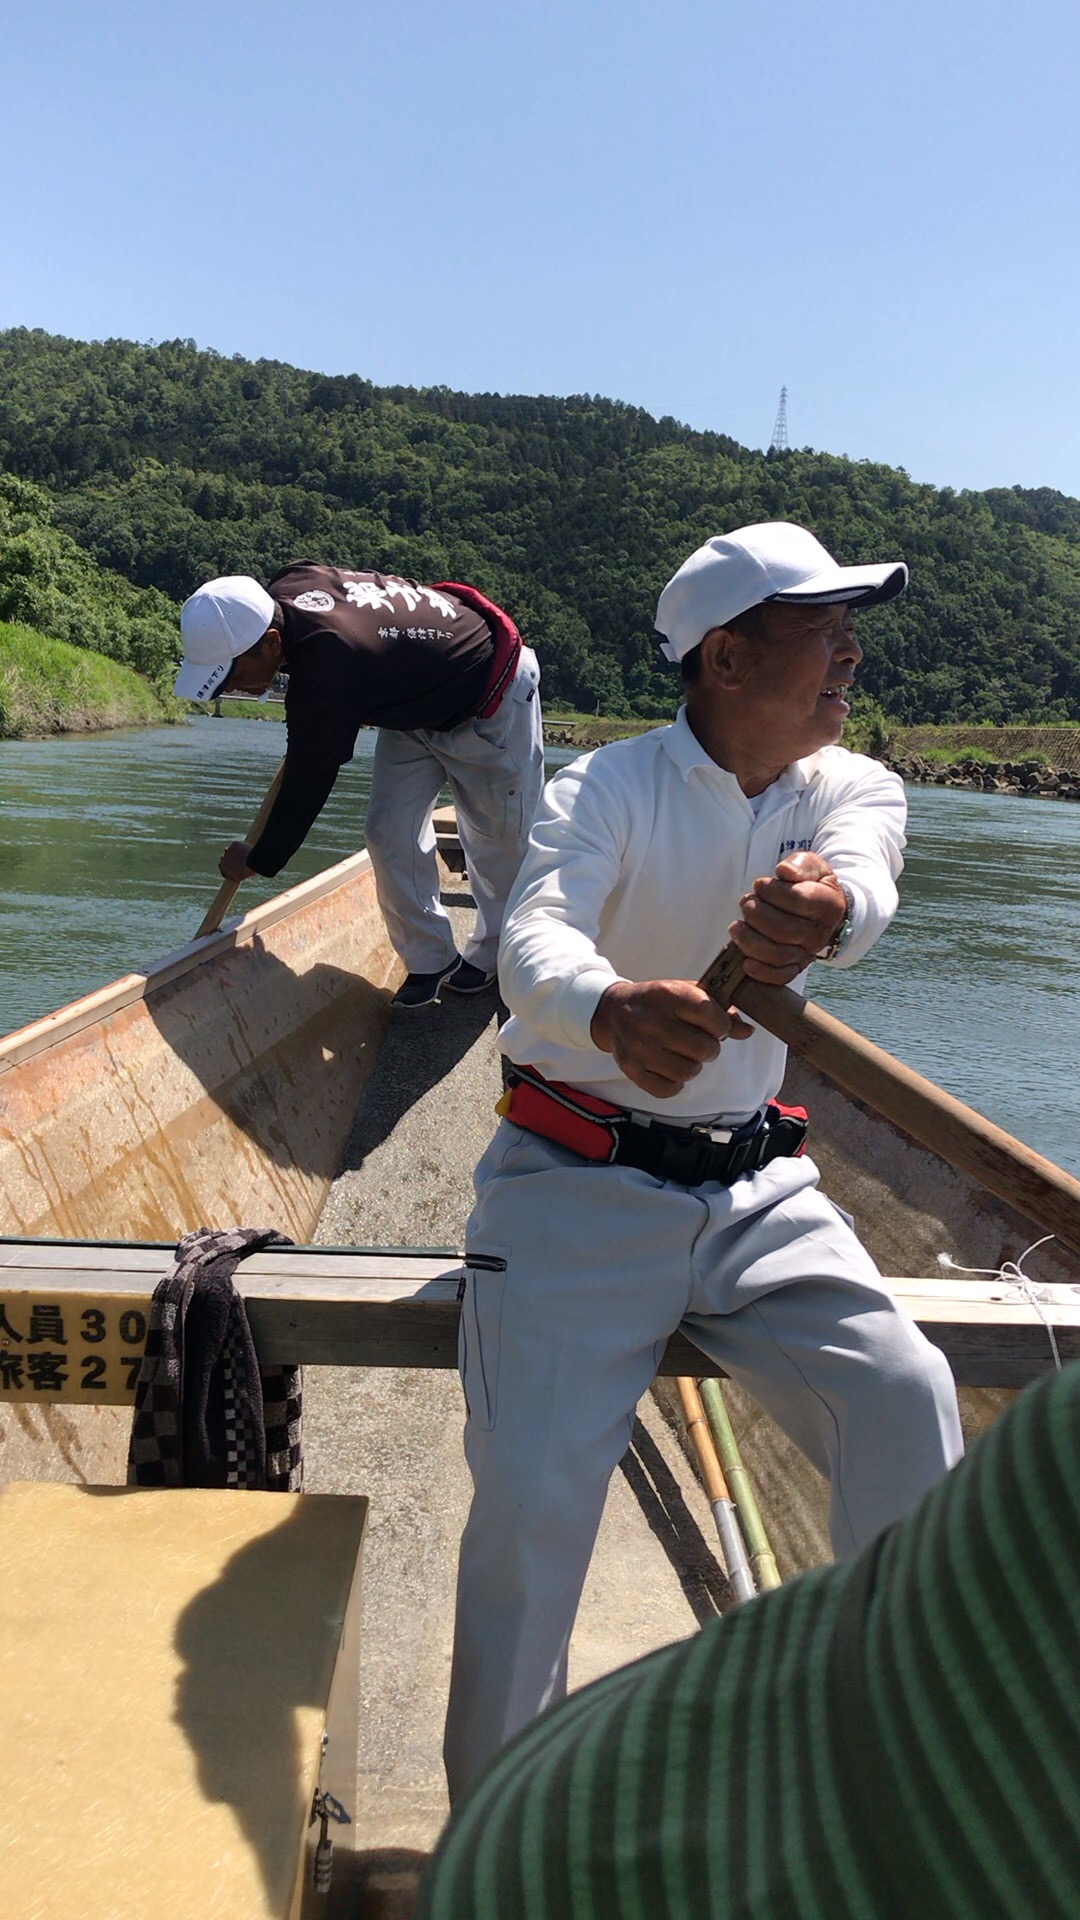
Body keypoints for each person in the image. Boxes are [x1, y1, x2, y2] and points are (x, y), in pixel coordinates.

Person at [443, 520, 963, 1799]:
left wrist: (829, 912)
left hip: (756, 1192)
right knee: (532, 1514)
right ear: (726, 658)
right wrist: (609, 1011)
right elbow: (533, 938)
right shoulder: (603, 787)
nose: (850, 654)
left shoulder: (849, 783)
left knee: (906, 1396)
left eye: (852, 628)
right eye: (821, 628)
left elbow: (864, 876)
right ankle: (497, 1843)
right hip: (572, 1185)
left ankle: (886, 1773)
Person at [421, 1355, 1080, 1920]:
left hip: (760, 1206)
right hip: (581, 1217)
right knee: (529, 1497)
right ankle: (482, 1800)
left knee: (905, 1382)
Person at [173, 563, 543, 1007]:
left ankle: (496, 956)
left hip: (487, 693)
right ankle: (430, 958)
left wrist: (258, 859)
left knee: (497, 840)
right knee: (387, 830)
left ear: (271, 642)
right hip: (412, 702)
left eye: (232, 675)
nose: (234, 687)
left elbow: (309, 782)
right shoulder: (287, 590)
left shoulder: (329, 665)